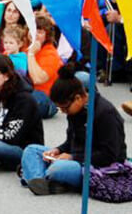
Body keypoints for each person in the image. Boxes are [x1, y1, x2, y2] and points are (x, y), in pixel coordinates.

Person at [21, 65, 126, 195]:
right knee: (31, 150)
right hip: (76, 158)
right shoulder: (75, 111)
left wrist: (72, 157)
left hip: (99, 166)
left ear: (78, 98)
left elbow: (109, 155)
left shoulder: (105, 113)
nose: (64, 112)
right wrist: (58, 150)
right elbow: (71, 141)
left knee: (58, 169)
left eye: (65, 108)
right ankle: (46, 181)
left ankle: (39, 176)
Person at [27, 15, 62, 119]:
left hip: (45, 96)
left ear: (47, 36)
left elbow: (38, 79)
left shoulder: (50, 53)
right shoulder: (24, 46)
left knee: (34, 101)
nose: (35, 35)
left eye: (40, 32)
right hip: (27, 90)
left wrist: (31, 55)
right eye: (33, 30)